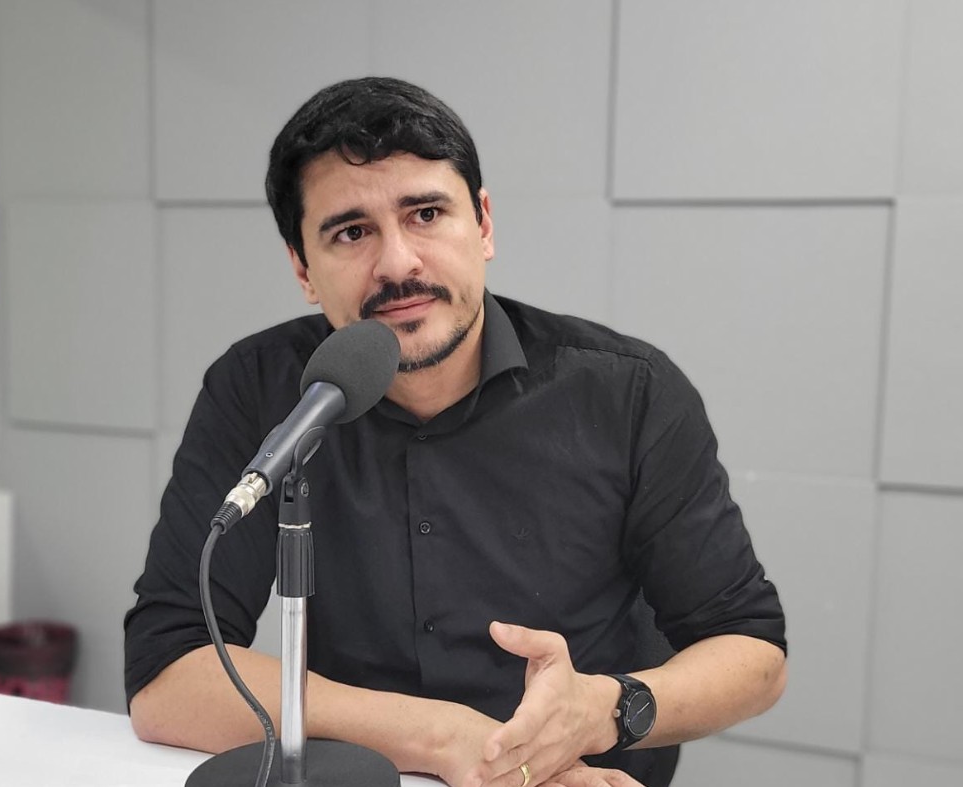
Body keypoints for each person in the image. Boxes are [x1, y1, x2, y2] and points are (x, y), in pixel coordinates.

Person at [124, 77, 787, 787]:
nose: (398, 263)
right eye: (352, 232)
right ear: (302, 268)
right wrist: (444, 737)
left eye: (426, 213)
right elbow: (167, 673)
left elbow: (752, 650)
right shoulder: (260, 389)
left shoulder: (629, 392)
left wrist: (604, 710)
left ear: (484, 225)